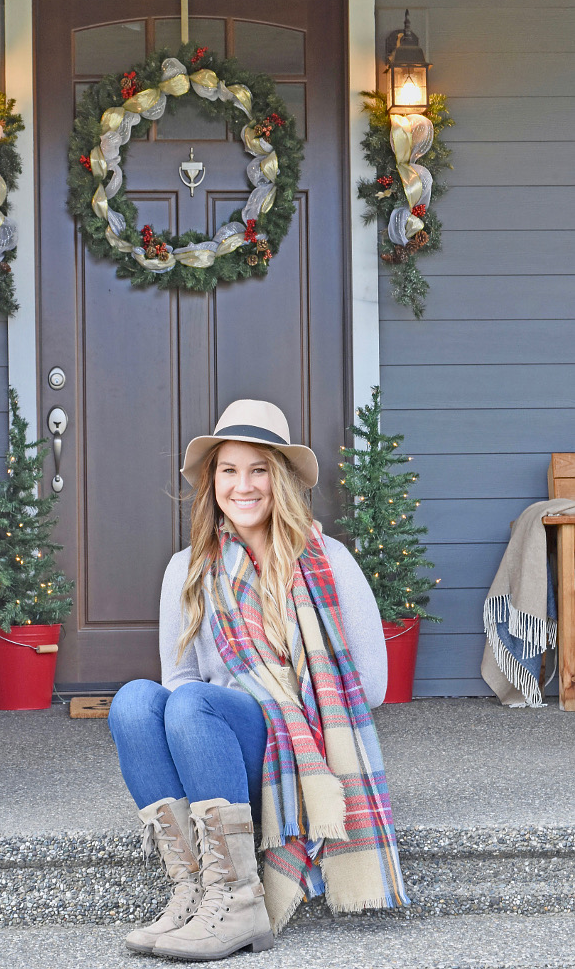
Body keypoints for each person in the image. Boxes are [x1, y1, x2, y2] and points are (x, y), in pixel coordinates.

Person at [108, 399, 408, 961]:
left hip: (292, 761)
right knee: (132, 702)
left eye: (258, 470)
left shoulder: (329, 562)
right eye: (228, 470)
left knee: (195, 702)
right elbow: (178, 680)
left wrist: (283, 708)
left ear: (282, 479)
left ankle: (239, 903)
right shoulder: (188, 569)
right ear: (212, 482)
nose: (242, 485)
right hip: (209, 752)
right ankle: (194, 891)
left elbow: (371, 686)